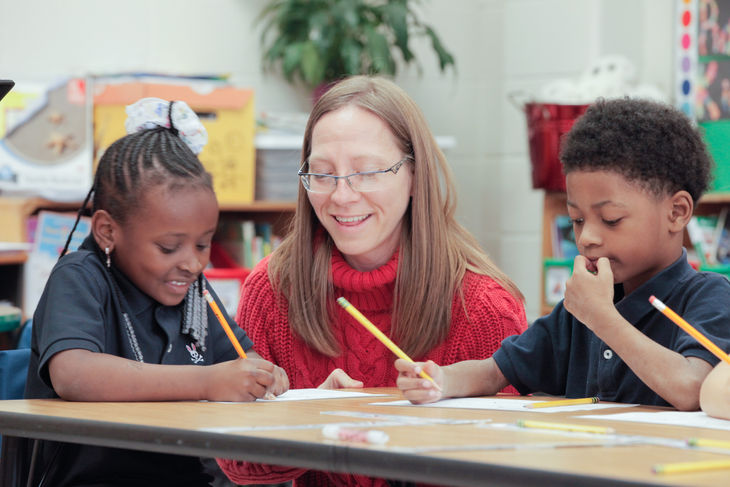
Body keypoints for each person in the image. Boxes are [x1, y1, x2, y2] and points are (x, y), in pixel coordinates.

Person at [217, 75, 528, 486]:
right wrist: (309, 421)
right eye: (323, 173)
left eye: (366, 172)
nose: (342, 196)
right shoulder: (272, 289)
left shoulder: (485, 306)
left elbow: (510, 464)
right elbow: (236, 463)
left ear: (414, 175)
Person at [17, 98, 288, 487]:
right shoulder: (80, 277)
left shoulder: (193, 291)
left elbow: (241, 358)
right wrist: (207, 382)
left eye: (203, 244)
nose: (193, 264)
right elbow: (74, 374)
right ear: (108, 231)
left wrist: (264, 375)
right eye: (168, 247)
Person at [396, 97, 730, 411]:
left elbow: (692, 388)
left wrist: (602, 318)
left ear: (677, 212)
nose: (587, 238)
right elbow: (496, 371)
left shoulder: (710, 297)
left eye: (611, 220)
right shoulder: (581, 309)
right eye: (577, 221)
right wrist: (442, 379)